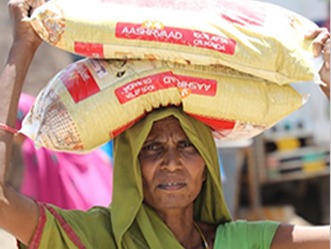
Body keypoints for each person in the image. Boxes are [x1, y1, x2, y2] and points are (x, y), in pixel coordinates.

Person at [0, 0, 329, 248]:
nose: (171, 162)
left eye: (186, 145)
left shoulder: (237, 241)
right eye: (153, 148)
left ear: (206, 163)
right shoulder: (97, 237)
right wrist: (22, 47)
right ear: (132, 163)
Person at [6, 92, 113, 211]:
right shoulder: (64, 133)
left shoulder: (37, 150)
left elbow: (32, 194)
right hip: (102, 204)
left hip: (69, 215)